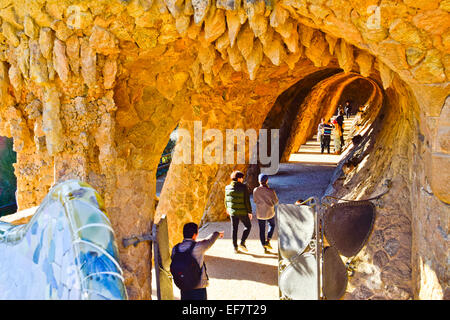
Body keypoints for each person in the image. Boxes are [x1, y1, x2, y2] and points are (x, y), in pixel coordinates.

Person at [171, 222, 224, 300]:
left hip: (183, 285)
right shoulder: (199, 247)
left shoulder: (175, 249)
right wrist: (218, 233)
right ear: (195, 234)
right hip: (198, 287)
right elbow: (210, 240)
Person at [225, 170, 253, 253]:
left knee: (234, 229)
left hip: (233, 212)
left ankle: (235, 247)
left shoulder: (227, 187)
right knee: (248, 226)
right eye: (241, 178)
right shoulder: (243, 187)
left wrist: (227, 208)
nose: (242, 179)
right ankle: (242, 242)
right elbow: (247, 201)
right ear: (238, 178)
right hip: (242, 212)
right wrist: (249, 212)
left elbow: (226, 200)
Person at [253, 174, 279, 253]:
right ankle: (268, 240)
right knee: (272, 225)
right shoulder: (271, 191)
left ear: (259, 181)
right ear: (267, 181)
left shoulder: (255, 190)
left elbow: (255, 200)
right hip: (269, 212)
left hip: (260, 213)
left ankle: (264, 246)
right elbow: (276, 202)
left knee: (262, 229)